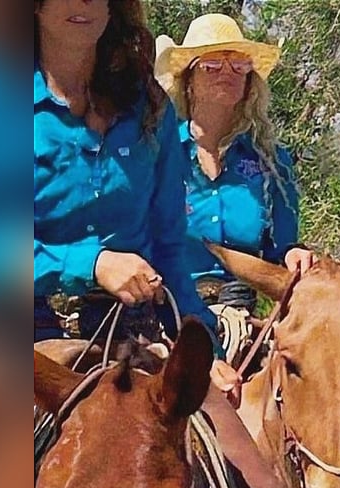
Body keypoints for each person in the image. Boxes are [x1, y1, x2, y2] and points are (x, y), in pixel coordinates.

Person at [34, 0, 241, 421]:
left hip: (131, 338)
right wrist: (90, 264)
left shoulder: (149, 108)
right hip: (20, 341)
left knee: (250, 470)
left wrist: (207, 353)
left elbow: (169, 248)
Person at [155, 13, 315, 316]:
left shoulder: (273, 163)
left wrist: (294, 254)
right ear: (188, 80)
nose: (226, 72)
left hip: (241, 317)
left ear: (248, 81)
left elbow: (281, 248)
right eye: (212, 64)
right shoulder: (155, 156)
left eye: (239, 64)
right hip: (167, 313)